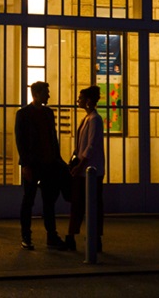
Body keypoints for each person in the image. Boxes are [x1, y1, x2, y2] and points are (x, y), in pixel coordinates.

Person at [14, 81, 65, 250]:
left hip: (48, 163)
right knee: (29, 200)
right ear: (36, 94)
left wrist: (57, 159)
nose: (48, 95)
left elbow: (53, 138)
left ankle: (51, 234)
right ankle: (26, 235)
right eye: (46, 92)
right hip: (33, 164)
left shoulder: (48, 113)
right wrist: (25, 164)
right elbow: (20, 141)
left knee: (48, 201)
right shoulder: (23, 114)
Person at [65, 85, 105, 252]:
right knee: (82, 203)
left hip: (90, 170)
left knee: (86, 204)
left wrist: (79, 165)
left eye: (80, 98)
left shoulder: (94, 119)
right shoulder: (88, 119)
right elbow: (83, 146)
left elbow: (90, 146)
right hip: (85, 169)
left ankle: (86, 237)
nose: (78, 100)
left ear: (88, 101)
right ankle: (84, 237)